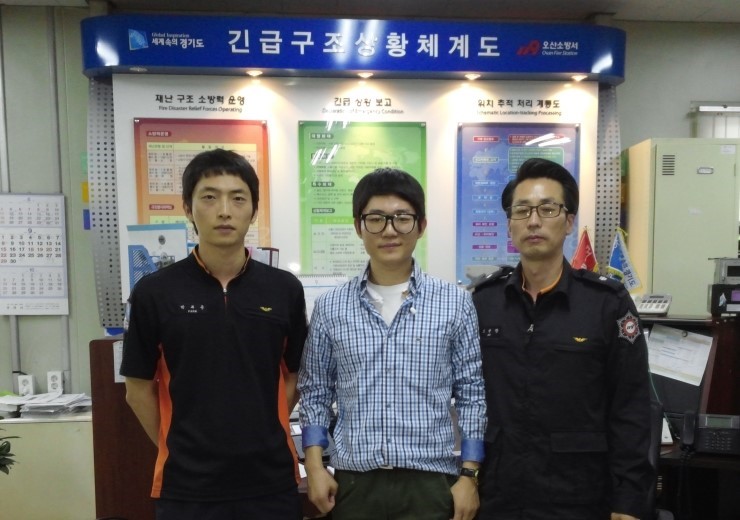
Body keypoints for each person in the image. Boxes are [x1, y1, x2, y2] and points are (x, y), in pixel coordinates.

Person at [121, 148, 308, 520]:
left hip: (270, 482)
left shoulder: (283, 289)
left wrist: (261, 429)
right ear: (188, 208)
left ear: (253, 210)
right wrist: (180, 446)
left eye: (238, 198)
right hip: (187, 488)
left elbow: (294, 376)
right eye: (209, 197)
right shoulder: (154, 292)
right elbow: (137, 390)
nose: (224, 211)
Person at [298, 167, 487, 520]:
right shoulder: (330, 306)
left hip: (431, 484)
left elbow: (472, 394)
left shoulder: (455, 302)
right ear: (359, 227)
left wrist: (469, 475)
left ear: (421, 225)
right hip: (355, 484)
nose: (389, 230)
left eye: (402, 218)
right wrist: (315, 465)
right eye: (376, 219)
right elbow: (315, 392)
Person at [471, 158, 652, 520]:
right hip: (498, 493)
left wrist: (628, 500)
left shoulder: (606, 303)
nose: (533, 221)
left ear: (569, 221)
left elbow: (631, 407)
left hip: (578, 495)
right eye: (521, 210)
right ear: (509, 224)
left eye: (547, 208)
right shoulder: (484, 302)